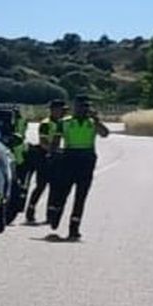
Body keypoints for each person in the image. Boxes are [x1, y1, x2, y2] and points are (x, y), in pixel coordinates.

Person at [45, 95, 111, 240]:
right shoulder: (65, 122)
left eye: (86, 106)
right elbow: (56, 141)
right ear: (74, 107)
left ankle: (74, 228)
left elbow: (105, 134)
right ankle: (56, 214)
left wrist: (97, 120)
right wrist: (52, 154)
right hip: (69, 158)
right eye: (80, 106)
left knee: (81, 196)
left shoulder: (92, 122)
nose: (83, 109)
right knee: (63, 192)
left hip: (86, 159)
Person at [25, 99, 66, 224]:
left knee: (55, 188)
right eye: (60, 110)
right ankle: (30, 211)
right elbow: (43, 143)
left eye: (63, 110)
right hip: (44, 157)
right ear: (53, 110)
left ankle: (50, 215)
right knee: (41, 186)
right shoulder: (46, 124)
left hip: (57, 158)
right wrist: (54, 150)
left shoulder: (63, 123)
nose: (62, 113)